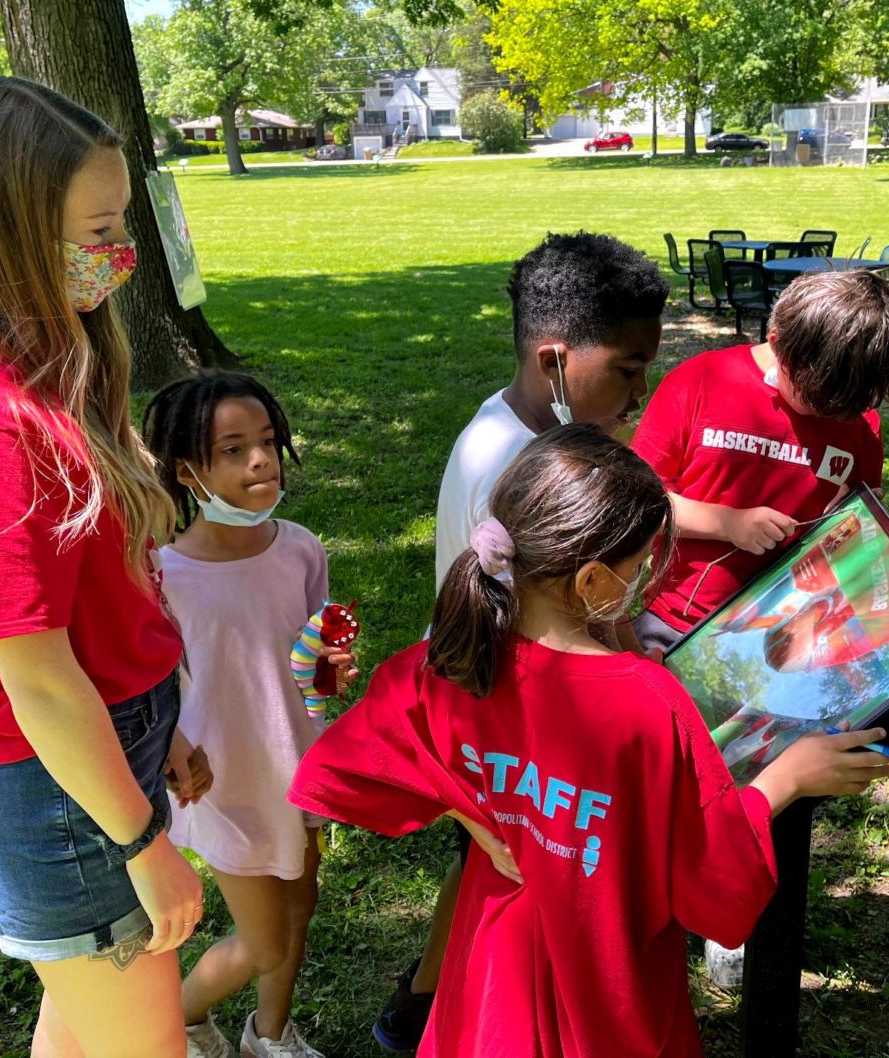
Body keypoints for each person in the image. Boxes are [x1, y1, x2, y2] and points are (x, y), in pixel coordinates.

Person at [287, 424, 889, 1058]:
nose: (643, 581)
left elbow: (349, 762)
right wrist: (785, 780)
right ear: (593, 583)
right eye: (639, 566)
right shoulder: (648, 702)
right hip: (604, 991)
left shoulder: (452, 660)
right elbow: (709, 882)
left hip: (492, 977)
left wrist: (471, 810)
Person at [0, 76, 208, 1058]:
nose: (123, 251)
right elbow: (38, 673)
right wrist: (142, 839)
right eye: (98, 225)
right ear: (15, 229)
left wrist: (167, 729)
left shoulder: (43, 360)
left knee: (79, 1036)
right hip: (68, 792)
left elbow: (108, 587)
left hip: (105, 758)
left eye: (123, 217)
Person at [378, 231, 670, 1050]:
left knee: (480, 868)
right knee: (507, 874)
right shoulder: (515, 461)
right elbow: (547, 617)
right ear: (554, 361)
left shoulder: (523, 429)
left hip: (494, 714)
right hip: (512, 722)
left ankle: (417, 1006)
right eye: (626, 369)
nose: (641, 393)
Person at [141, 372, 357, 1058]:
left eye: (266, 442)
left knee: (300, 908)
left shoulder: (300, 548)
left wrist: (331, 674)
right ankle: (178, 1014)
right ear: (188, 472)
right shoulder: (162, 576)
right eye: (232, 450)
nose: (260, 460)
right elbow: (153, 690)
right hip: (223, 784)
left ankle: (269, 1035)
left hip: (301, 767)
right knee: (263, 941)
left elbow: (313, 657)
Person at [629, 269, 889, 658]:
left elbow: (855, 538)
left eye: (841, 408)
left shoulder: (859, 424)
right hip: (677, 623)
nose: (824, 412)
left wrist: (857, 521)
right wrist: (729, 524)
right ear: (777, 343)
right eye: (812, 398)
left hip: (786, 633)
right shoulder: (700, 383)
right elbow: (636, 506)